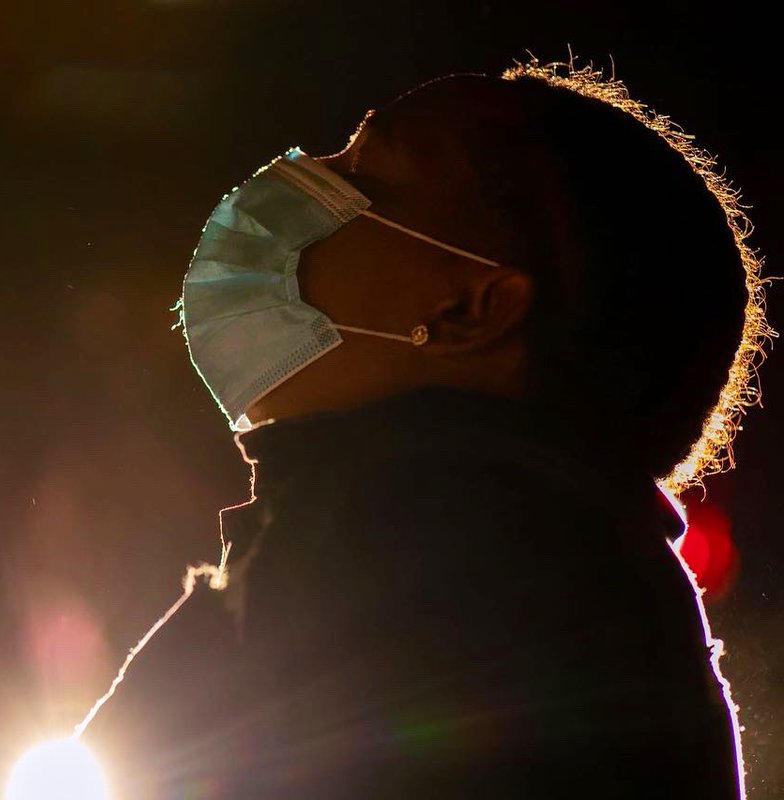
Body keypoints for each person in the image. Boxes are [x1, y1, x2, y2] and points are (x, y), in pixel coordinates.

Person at [83, 60, 771, 798]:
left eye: (362, 175)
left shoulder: (420, 553)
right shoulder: (562, 568)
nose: (297, 177)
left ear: (468, 310)